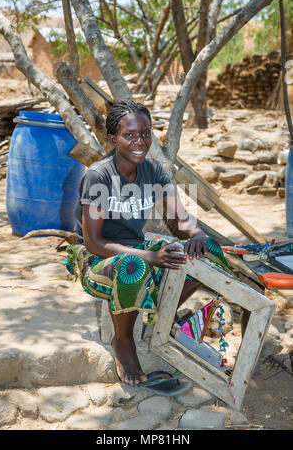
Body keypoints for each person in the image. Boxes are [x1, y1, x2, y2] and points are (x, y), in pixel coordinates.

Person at [65, 100, 209, 388]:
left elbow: (181, 219)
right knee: (136, 267)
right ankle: (124, 339)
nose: (139, 141)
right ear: (113, 138)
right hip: (97, 258)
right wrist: (149, 255)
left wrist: (197, 233)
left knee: (210, 251)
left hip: (138, 245)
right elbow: (93, 242)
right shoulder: (99, 176)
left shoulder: (154, 171)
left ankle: (159, 314)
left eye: (145, 133)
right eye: (129, 135)